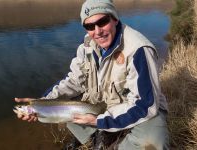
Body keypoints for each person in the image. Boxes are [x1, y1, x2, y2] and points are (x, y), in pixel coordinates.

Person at [15, 0, 169, 149]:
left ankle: (114, 140)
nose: (97, 31)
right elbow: (74, 81)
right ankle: (98, 135)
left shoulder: (138, 50)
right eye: (89, 26)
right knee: (63, 102)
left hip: (135, 108)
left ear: (114, 19)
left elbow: (146, 105)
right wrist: (42, 102)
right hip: (101, 105)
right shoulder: (86, 47)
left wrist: (100, 121)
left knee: (153, 140)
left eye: (102, 22)